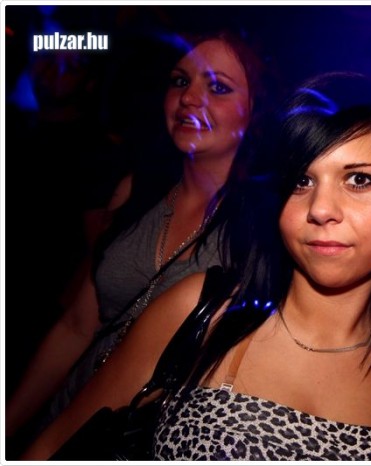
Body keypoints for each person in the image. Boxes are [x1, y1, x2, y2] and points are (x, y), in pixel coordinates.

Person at [22, 71, 371, 461]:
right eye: (301, 181)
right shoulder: (200, 311)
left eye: (359, 179)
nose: (321, 209)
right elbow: (54, 448)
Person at [6, 29, 273, 448]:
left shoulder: (263, 231)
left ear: (254, 113)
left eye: (218, 87)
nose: (189, 97)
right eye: (180, 81)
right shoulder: (137, 190)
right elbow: (77, 325)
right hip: (60, 423)